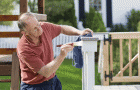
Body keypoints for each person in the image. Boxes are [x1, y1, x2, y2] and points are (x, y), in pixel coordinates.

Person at [17, 12, 93, 90]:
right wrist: (62, 55)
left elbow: (62, 29)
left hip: (52, 81)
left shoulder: (44, 27)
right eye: (35, 29)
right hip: (34, 86)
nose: (39, 29)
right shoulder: (24, 48)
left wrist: (80, 32)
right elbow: (46, 72)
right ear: (25, 32)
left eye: (38, 24)